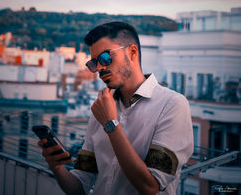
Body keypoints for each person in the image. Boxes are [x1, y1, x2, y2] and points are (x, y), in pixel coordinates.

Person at [38, 21, 193, 195]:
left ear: (132, 52)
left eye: (105, 58)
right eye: (93, 63)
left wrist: (110, 124)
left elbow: (150, 187)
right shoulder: (102, 108)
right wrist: (57, 167)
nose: (100, 68)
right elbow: (80, 185)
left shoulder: (172, 105)